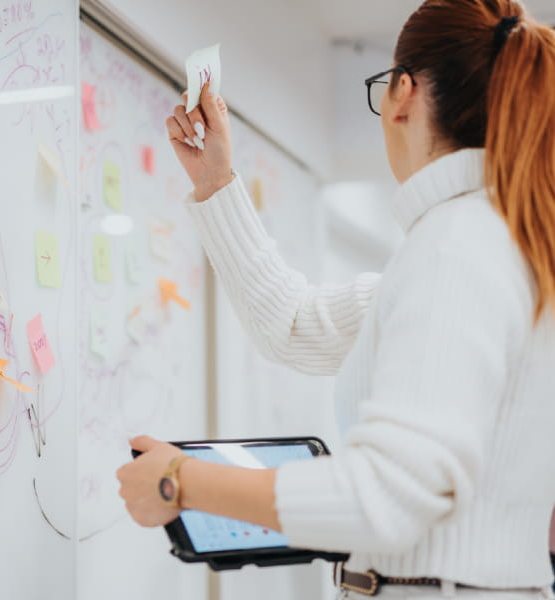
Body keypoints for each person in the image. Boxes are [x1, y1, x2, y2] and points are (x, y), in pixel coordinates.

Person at [117, 0, 555, 597]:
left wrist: (180, 480)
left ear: (403, 92)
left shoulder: (458, 246)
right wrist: (215, 182)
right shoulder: (494, 241)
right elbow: (292, 322)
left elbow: (385, 496)